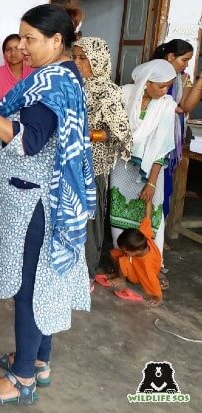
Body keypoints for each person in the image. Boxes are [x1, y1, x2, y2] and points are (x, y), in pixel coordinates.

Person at [0, 4, 94, 406]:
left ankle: (21, 377)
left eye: (30, 39)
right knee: (42, 282)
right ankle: (38, 360)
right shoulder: (59, 77)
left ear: (57, 40)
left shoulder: (52, 85)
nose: (22, 47)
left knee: (29, 290)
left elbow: (28, 140)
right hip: (42, 197)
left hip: (36, 204)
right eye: (21, 37)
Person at [72, 37, 132, 280]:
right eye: (74, 57)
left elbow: (120, 132)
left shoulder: (108, 91)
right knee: (68, 216)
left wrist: (88, 134)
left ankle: (85, 272)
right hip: (68, 161)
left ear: (97, 61)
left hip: (92, 165)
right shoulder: (73, 85)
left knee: (88, 219)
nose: (76, 62)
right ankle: (66, 271)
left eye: (82, 58)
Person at [109, 59, 177, 261]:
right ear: (146, 82)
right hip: (122, 165)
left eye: (168, 86)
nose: (165, 91)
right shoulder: (125, 94)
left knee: (150, 217)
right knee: (119, 216)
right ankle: (123, 264)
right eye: (161, 86)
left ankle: (152, 265)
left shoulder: (166, 106)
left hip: (152, 170)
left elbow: (161, 148)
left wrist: (152, 183)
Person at [150, 40, 197, 216]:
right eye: (184, 60)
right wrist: (171, 106)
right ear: (171, 57)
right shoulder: (152, 73)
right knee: (149, 181)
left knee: (165, 181)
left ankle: (156, 230)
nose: (186, 65)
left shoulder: (182, 78)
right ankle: (141, 235)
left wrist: (197, 83)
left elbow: (185, 106)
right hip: (153, 134)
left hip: (171, 136)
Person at [0, 34, 34, 200]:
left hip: (25, 135)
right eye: (8, 49)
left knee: (21, 179)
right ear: (3, 53)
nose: (13, 53)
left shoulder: (34, 74)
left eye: (17, 48)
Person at [108, 202, 162, 306]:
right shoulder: (143, 236)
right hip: (136, 263)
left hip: (138, 275)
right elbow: (147, 218)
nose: (123, 251)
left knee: (123, 259)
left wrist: (158, 296)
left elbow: (152, 280)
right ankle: (118, 273)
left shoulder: (147, 264)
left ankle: (121, 279)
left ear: (131, 252)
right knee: (113, 253)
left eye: (124, 250)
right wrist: (148, 203)